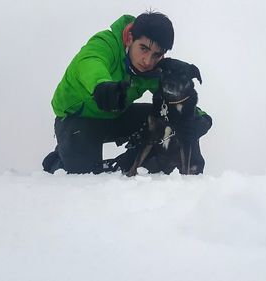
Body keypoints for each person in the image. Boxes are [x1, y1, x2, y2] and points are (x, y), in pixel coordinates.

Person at [42, 12, 212, 174]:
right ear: (130, 38)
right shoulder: (106, 42)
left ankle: (129, 162)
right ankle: (58, 159)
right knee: (80, 173)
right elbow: (91, 62)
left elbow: (174, 100)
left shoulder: (153, 70)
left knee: (167, 117)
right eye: (144, 49)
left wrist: (201, 119)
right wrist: (102, 86)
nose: (148, 61)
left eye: (156, 55)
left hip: (117, 116)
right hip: (79, 118)